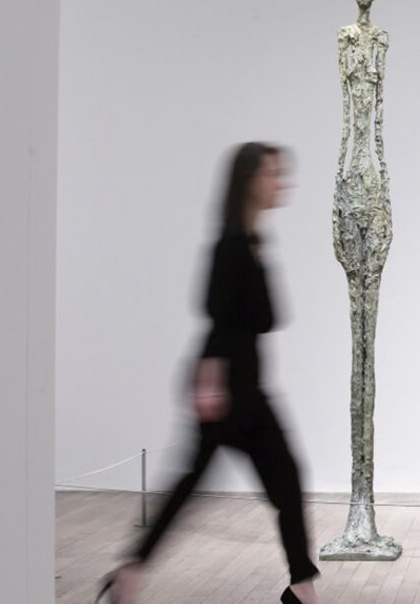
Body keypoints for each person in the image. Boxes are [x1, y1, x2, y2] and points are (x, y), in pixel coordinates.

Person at [98, 142, 321, 604]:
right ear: (248, 181)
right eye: (271, 174)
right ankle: (301, 587)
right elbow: (223, 314)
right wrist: (211, 381)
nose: (281, 183)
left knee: (203, 479)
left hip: (240, 383)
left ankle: (131, 571)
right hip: (233, 388)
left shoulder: (248, 241)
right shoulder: (233, 244)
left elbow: (255, 317)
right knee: (281, 477)